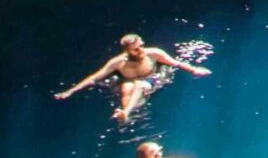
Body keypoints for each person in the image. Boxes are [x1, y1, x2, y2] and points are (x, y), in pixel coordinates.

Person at [57, 33, 211, 123]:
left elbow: (175, 63)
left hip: (150, 78)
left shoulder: (153, 53)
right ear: (128, 50)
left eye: (141, 46)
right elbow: (95, 77)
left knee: (139, 85)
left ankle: (126, 112)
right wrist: (70, 91)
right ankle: (124, 113)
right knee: (127, 88)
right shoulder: (118, 62)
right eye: (136, 49)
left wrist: (194, 70)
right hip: (129, 81)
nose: (141, 50)